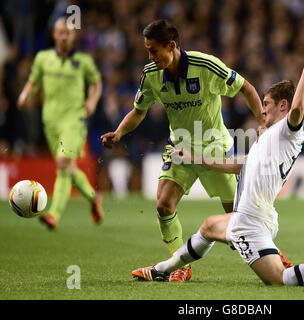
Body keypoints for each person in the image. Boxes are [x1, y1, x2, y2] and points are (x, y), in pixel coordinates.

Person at [131, 46, 304, 288]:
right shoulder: (267, 138)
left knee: (279, 279)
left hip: (251, 222)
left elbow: (299, 106)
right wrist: (195, 158)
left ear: (282, 106)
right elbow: (237, 166)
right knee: (209, 226)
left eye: (266, 105)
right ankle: (162, 269)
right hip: (252, 216)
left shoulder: (288, 131)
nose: (261, 111)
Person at [101, 19, 294, 282]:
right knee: (163, 205)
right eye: (147, 50)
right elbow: (139, 111)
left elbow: (246, 88)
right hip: (180, 148)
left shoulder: (206, 66)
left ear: (172, 46)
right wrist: (119, 132)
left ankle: (275, 254)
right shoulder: (151, 75)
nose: (150, 56)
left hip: (215, 148)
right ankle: (179, 265)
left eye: (154, 50)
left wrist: (262, 123)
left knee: (237, 219)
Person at [17, 17, 104, 230]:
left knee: (63, 165)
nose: (64, 36)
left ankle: (53, 214)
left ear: (73, 36)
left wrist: (91, 101)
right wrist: (25, 94)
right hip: (51, 121)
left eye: (68, 33)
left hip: (74, 120)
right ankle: (94, 198)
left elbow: (96, 83)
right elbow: (33, 80)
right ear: (54, 35)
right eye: (60, 32)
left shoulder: (83, 60)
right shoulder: (43, 58)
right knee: (69, 167)